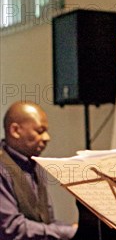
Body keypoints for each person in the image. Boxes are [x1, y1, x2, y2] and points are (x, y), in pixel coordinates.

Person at [0, 101, 77, 240]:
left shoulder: (33, 164)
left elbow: (45, 222)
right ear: (15, 131)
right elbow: (10, 227)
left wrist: (71, 229)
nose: (47, 138)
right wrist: (67, 232)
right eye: (40, 131)